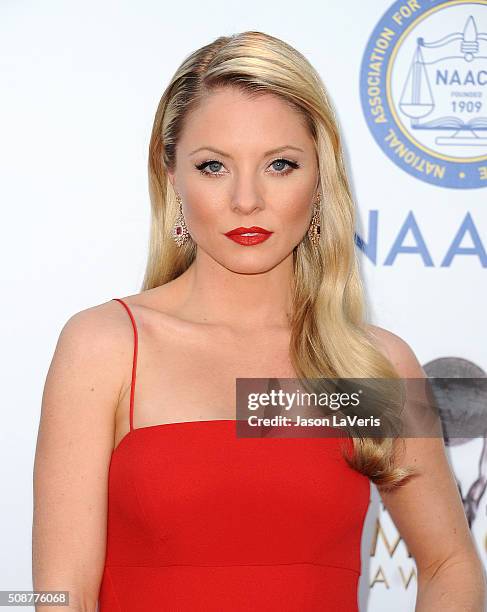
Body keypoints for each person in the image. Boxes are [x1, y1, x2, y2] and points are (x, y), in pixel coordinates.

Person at [32, 30, 485, 611]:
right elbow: (57, 592)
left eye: (280, 164)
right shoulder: (106, 346)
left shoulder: (372, 365)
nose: (247, 200)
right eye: (214, 166)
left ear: (320, 179)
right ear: (172, 176)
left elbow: (451, 564)